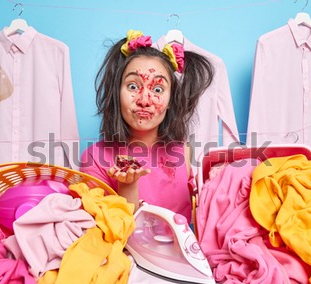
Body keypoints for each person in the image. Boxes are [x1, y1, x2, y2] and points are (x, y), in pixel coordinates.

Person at [80, 30, 213, 223]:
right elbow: (110, 235)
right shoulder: (94, 158)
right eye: (133, 86)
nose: (144, 100)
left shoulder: (182, 150)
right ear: (117, 93)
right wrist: (128, 185)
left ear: (170, 101)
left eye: (157, 89)